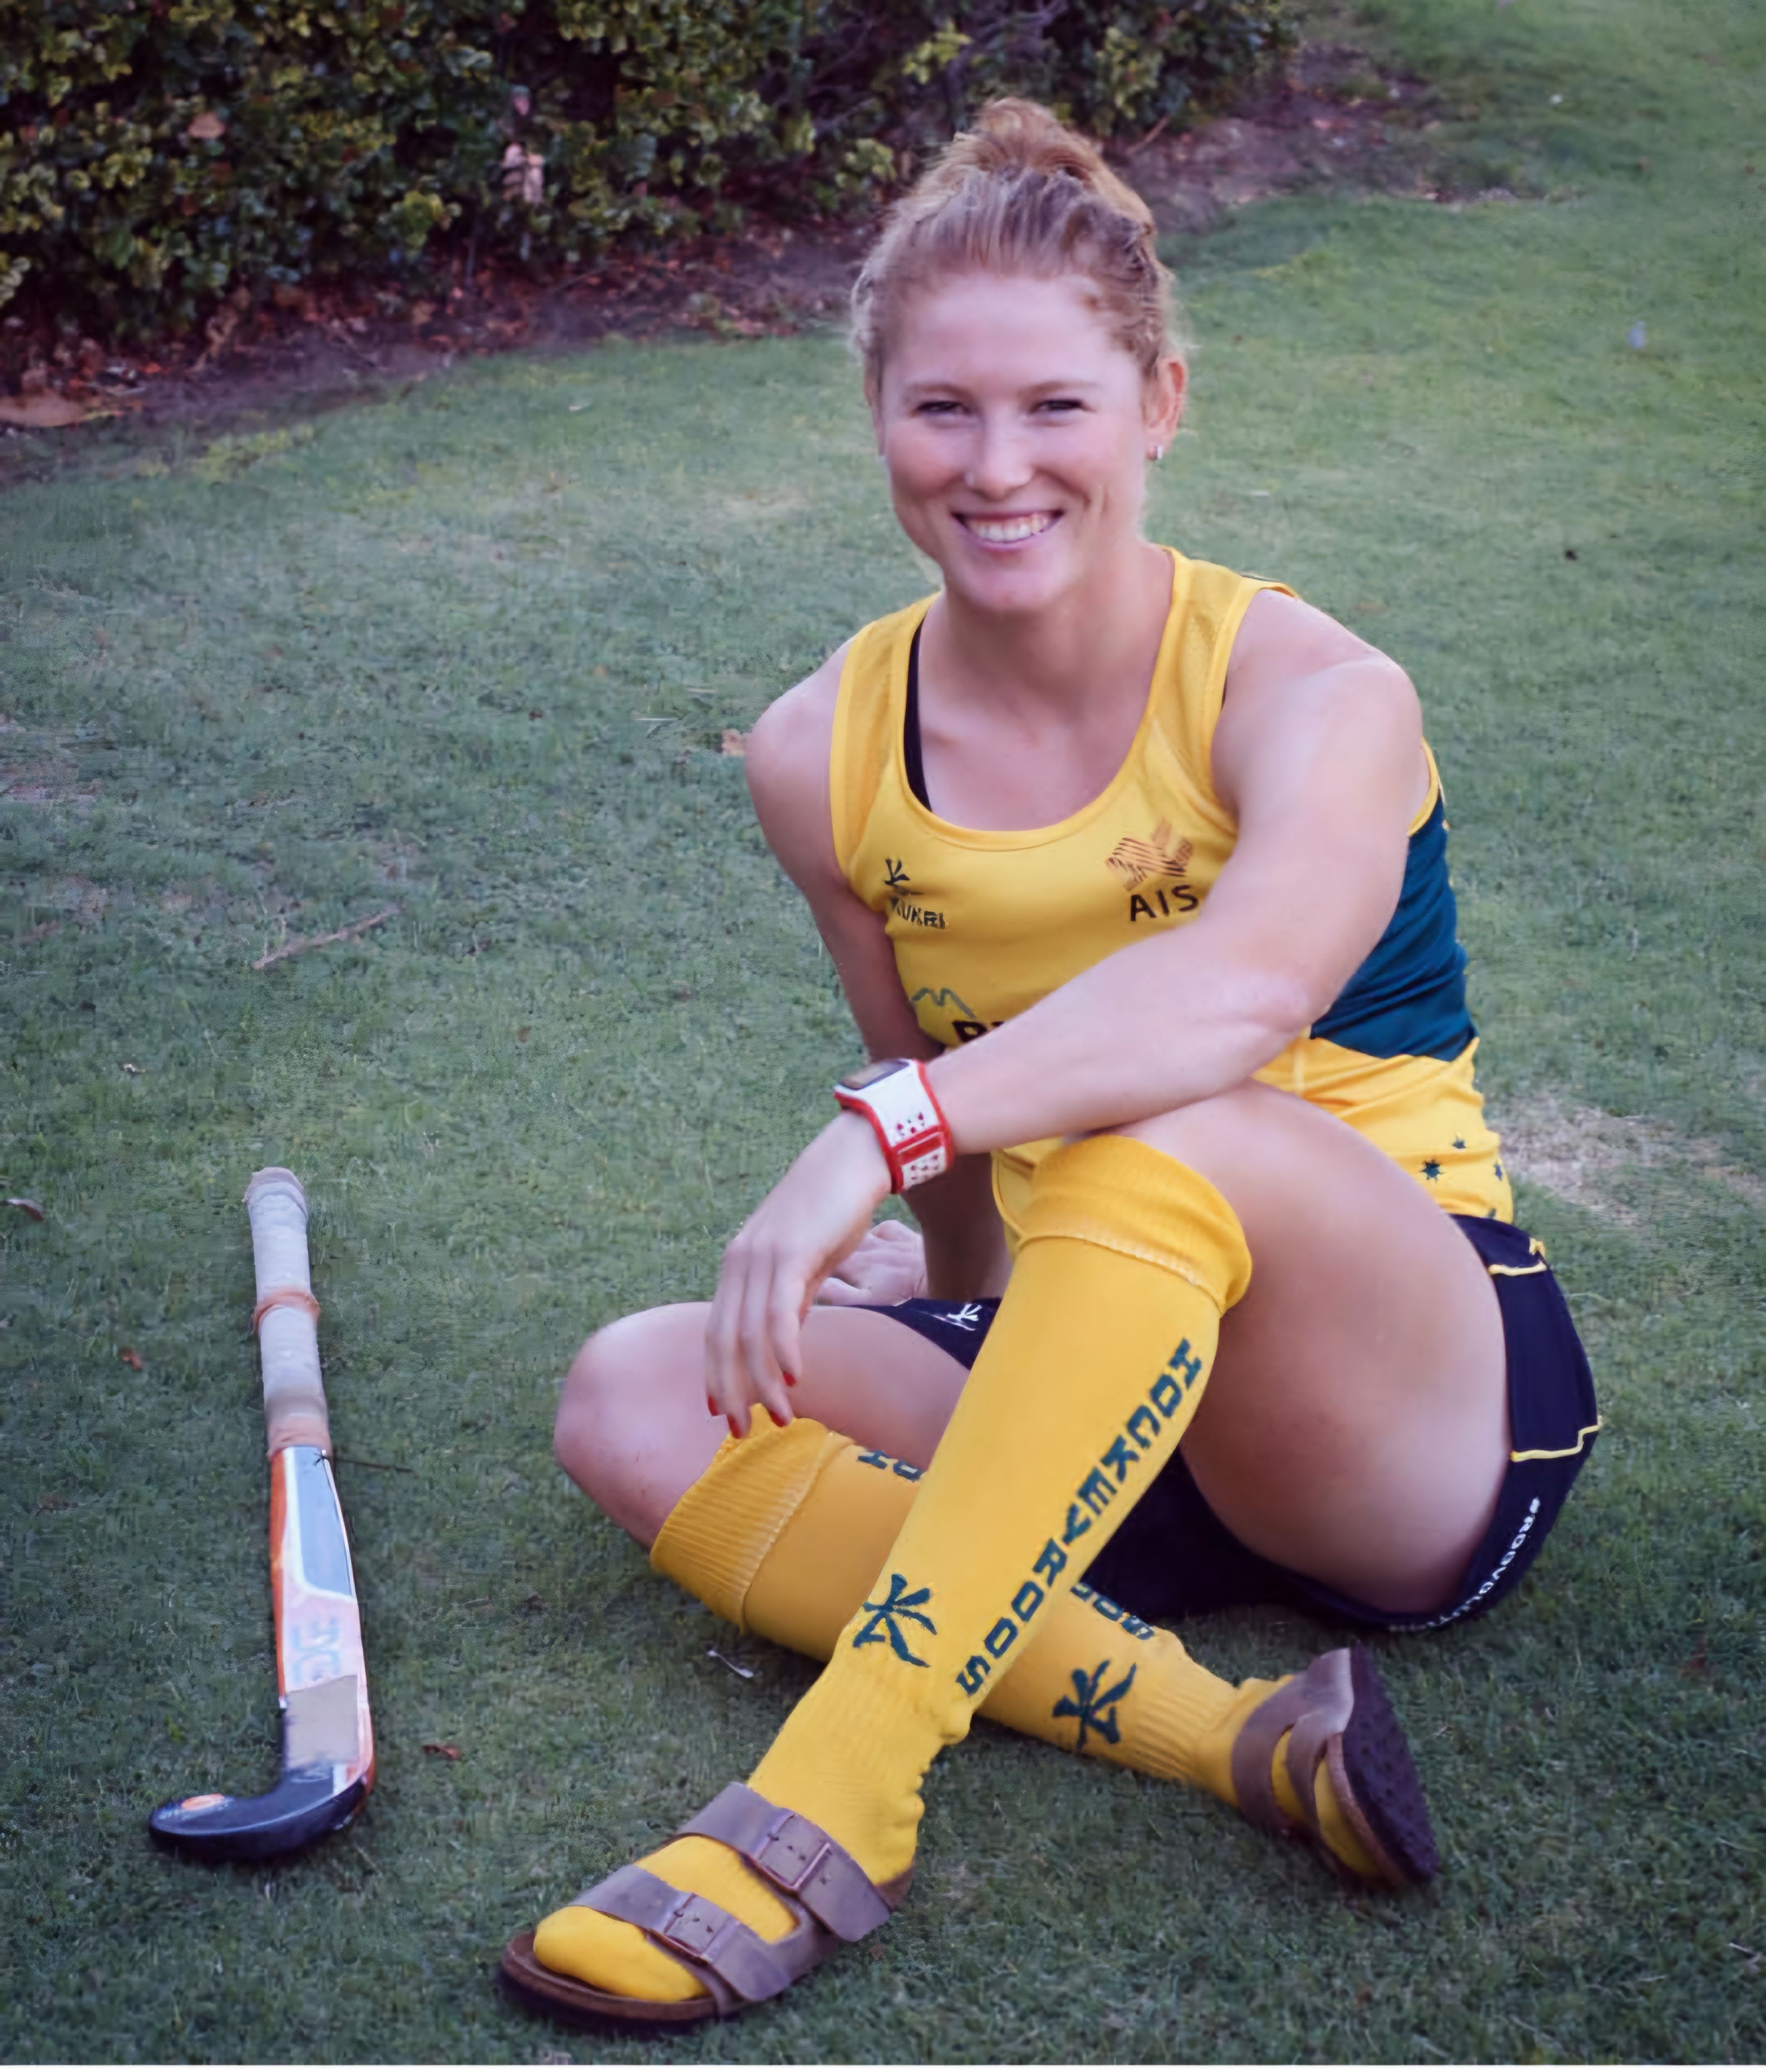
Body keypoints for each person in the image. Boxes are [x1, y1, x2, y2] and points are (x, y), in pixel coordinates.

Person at [501, 99, 1599, 2028]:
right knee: (640, 1393)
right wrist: (938, 1275)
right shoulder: (818, 750)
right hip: (1112, 1376)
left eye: (1054, 409)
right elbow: (926, 1081)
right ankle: (1237, 1738)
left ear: (1159, 404)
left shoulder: (1311, 692)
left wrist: (872, 1134)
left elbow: (1231, 998)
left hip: (1405, 1406)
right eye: (941, 411)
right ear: (877, 421)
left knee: (1154, 1121)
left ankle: (833, 1798)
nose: (995, 468)